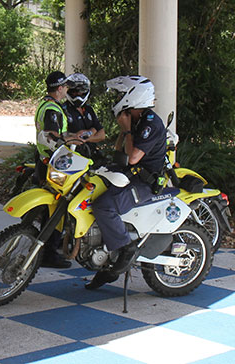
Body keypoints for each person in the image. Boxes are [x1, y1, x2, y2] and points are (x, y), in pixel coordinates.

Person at [86, 75, 167, 290]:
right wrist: (124, 130)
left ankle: (125, 248)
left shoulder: (150, 123)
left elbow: (132, 157)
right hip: (129, 174)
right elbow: (118, 151)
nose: (118, 98)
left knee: (104, 205)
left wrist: (128, 130)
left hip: (144, 182)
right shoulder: (138, 120)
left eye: (121, 95)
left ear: (133, 97)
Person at [34, 71, 74, 269]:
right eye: (65, 87)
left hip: (44, 162)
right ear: (60, 88)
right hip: (53, 164)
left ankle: (47, 248)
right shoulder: (53, 109)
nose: (67, 90)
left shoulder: (45, 103)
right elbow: (51, 136)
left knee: (51, 208)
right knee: (58, 209)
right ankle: (50, 252)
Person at [63, 73, 106, 158]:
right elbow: (60, 136)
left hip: (91, 154)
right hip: (70, 156)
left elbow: (101, 134)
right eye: (74, 92)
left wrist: (86, 138)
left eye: (81, 92)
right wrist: (75, 136)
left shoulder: (89, 110)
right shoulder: (63, 110)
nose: (78, 95)